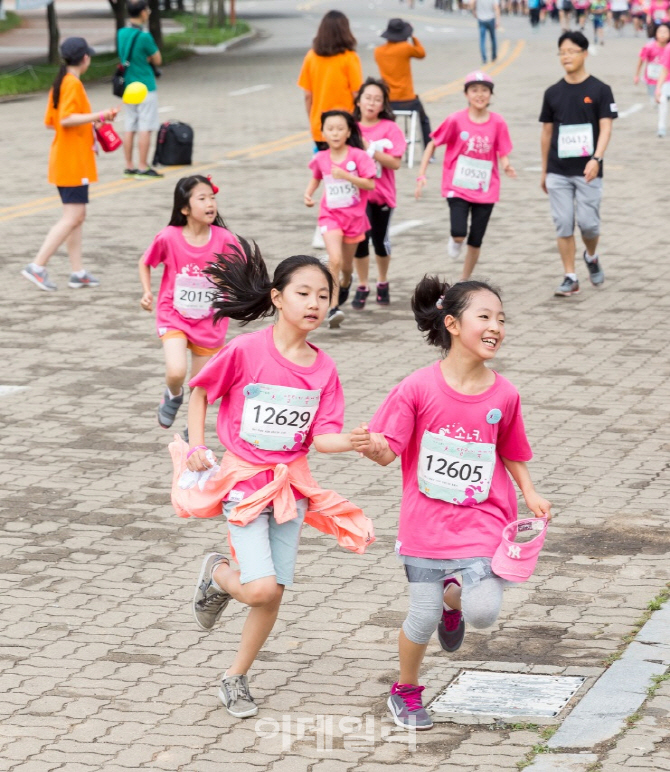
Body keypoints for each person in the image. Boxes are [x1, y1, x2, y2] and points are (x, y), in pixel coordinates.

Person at [178, 241, 374, 718]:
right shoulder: (246, 350)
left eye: (323, 296)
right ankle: (220, 576)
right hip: (244, 484)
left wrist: (353, 441)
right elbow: (201, 391)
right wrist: (199, 445)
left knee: (274, 592)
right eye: (303, 293)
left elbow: (322, 436)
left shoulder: (324, 368)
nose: (314, 304)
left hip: (292, 488)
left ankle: (236, 677)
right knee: (261, 588)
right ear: (278, 297)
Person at [351, 277, 552, 730]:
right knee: (420, 618)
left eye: (501, 319)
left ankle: (455, 600)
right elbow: (389, 450)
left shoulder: (505, 394)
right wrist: (371, 446)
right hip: (426, 525)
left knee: (483, 612)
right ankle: (405, 691)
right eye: (484, 316)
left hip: (484, 518)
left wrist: (531, 492)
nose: (495, 326)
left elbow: (511, 449)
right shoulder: (418, 387)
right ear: (452, 324)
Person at [139, 175, 241, 434]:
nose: (210, 204)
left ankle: (190, 430)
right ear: (184, 208)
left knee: (200, 385)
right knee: (176, 371)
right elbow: (146, 262)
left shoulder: (225, 239)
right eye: (202, 198)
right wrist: (147, 292)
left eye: (212, 198)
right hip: (173, 315)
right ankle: (173, 395)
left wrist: (227, 280)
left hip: (210, 322)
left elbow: (242, 271)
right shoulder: (169, 237)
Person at [21, 37, 119, 292]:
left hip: (65, 158)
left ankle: (77, 272)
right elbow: (65, 119)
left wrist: (89, 122)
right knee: (73, 217)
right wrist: (100, 115)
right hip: (73, 161)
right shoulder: (72, 84)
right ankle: (37, 266)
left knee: (76, 217)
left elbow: (51, 121)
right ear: (85, 58)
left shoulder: (62, 82)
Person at [414, 72, 516, 282]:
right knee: (460, 232)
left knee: (476, 240)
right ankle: (456, 240)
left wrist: (506, 165)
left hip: (486, 188)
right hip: (457, 185)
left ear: (490, 94)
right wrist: (421, 174)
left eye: (484, 90)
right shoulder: (455, 120)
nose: (480, 95)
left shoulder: (498, 122)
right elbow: (433, 142)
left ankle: (464, 279)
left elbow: (502, 150)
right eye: (474, 90)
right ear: (466, 94)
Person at [539, 31, 617, 296]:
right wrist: (544, 170)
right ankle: (570, 276)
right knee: (563, 222)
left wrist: (597, 158)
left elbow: (606, 128)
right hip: (558, 170)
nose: (566, 56)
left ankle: (591, 256)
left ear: (585, 53)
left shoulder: (600, 90)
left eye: (571, 51)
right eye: (562, 52)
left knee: (589, 224)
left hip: (589, 171)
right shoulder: (552, 93)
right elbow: (546, 133)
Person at [304, 111, 376, 329]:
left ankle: (346, 281)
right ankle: (333, 307)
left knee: (345, 266)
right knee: (333, 260)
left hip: (354, 219)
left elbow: (370, 185)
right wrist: (308, 194)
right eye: (330, 129)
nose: (335, 133)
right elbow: (316, 177)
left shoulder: (358, 156)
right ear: (323, 133)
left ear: (348, 132)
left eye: (340, 128)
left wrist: (347, 176)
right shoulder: (321, 158)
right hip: (330, 215)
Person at [352, 78, 407, 309]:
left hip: (382, 195)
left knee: (380, 242)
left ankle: (382, 281)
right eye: (368, 98)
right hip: (356, 196)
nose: (371, 103)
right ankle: (362, 285)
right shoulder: (351, 126)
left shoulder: (390, 128)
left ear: (384, 104)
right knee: (360, 242)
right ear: (359, 100)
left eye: (377, 99)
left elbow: (395, 163)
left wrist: (370, 150)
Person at [297, 11, 363, 150]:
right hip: (345, 127)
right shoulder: (350, 57)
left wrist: (313, 120)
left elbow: (308, 96)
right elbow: (356, 93)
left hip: (321, 126)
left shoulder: (311, 56)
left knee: (323, 168)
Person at [118, 0, 163, 178]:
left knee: (130, 126)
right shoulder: (145, 37)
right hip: (145, 85)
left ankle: (129, 165)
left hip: (128, 86)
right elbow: (158, 59)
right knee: (146, 126)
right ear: (143, 13)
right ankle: (143, 166)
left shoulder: (121, 33)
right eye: (148, 10)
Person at [374, 18, 432, 148]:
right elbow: (421, 53)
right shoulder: (405, 48)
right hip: (407, 99)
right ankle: (429, 150)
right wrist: (412, 37)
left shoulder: (378, 52)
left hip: (387, 100)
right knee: (424, 120)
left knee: (383, 122)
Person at [637, 23, 670, 137]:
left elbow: (665, 69)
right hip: (651, 80)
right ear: (655, 33)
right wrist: (637, 75)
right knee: (655, 102)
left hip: (666, 80)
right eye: (660, 32)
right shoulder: (649, 47)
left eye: (666, 32)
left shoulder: (668, 48)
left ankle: (661, 127)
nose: (663, 34)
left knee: (663, 100)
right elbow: (641, 60)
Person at [652, 25, 670, 135]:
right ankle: (661, 126)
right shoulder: (669, 49)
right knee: (663, 100)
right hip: (668, 82)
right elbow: (665, 69)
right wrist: (658, 89)